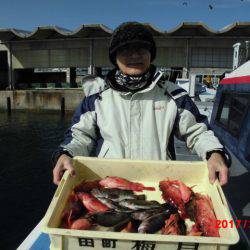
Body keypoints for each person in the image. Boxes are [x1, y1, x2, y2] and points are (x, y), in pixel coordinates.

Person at [52, 22, 230, 186]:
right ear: (115, 57)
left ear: (151, 54)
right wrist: (66, 154)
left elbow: (197, 132)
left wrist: (213, 153)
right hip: (110, 186)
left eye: (141, 49)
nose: (135, 55)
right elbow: (81, 136)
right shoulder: (96, 99)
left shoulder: (174, 95)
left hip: (159, 185)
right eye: (126, 50)